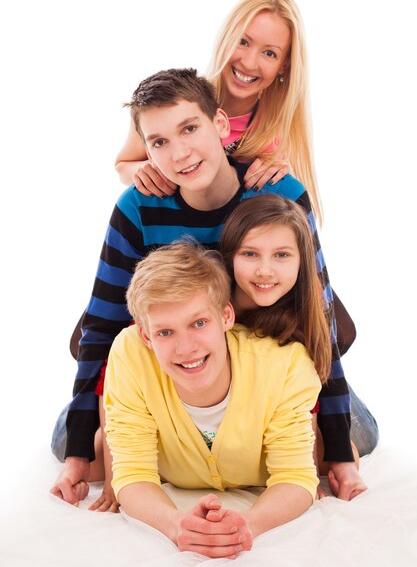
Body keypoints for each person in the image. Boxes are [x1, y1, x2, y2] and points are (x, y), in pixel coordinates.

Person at [50, 68, 357, 511]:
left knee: (354, 436)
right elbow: (103, 326)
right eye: (159, 143)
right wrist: (79, 453)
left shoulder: (278, 193)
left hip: (268, 385)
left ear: (219, 124)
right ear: (146, 150)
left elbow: (318, 314)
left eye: (189, 129)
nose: (179, 154)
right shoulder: (138, 206)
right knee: (68, 440)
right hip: (177, 382)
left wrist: (340, 452)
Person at [104, 240, 322, 558]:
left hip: (302, 392)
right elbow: (133, 472)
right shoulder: (130, 353)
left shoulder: (284, 364)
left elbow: (296, 477)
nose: (186, 348)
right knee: (88, 449)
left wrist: (248, 525)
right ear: (146, 336)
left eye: (199, 323)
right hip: (125, 401)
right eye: (165, 332)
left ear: (226, 316)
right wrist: (175, 524)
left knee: (341, 443)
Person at [114, 0, 321, 223]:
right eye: (243, 42)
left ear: (284, 66)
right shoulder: (172, 104)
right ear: (226, 38)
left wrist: (279, 175)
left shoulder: (274, 131)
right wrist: (140, 172)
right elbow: (123, 165)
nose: (249, 62)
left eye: (270, 53)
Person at [219, 195, 376, 495]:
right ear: (230, 256)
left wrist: (317, 463)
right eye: (250, 254)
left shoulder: (306, 306)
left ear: (303, 260)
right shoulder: (215, 305)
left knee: (357, 443)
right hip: (268, 404)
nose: (265, 270)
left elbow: (322, 379)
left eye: (282, 255)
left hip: (321, 392)